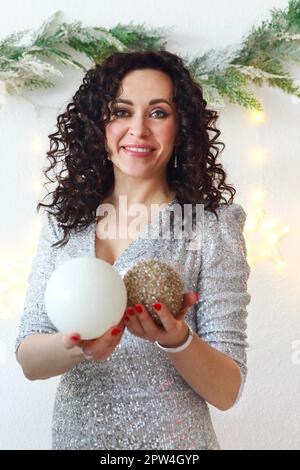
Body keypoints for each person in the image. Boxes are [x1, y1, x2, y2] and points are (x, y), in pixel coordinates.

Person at [15, 50, 251, 450]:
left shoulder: (212, 225)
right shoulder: (65, 220)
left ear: (182, 127)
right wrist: (75, 347)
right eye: (121, 111)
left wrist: (177, 339)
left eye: (158, 113)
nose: (138, 129)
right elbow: (29, 359)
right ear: (99, 125)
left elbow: (227, 391)